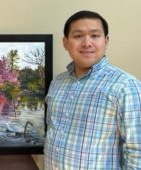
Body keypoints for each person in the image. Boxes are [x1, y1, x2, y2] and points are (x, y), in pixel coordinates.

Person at [44, 10, 141, 169]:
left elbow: (137, 150)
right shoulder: (58, 82)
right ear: (65, 42)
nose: (87, 43)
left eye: (95, 36)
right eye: (78, 36)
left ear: (106, 40)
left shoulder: (126, 86)